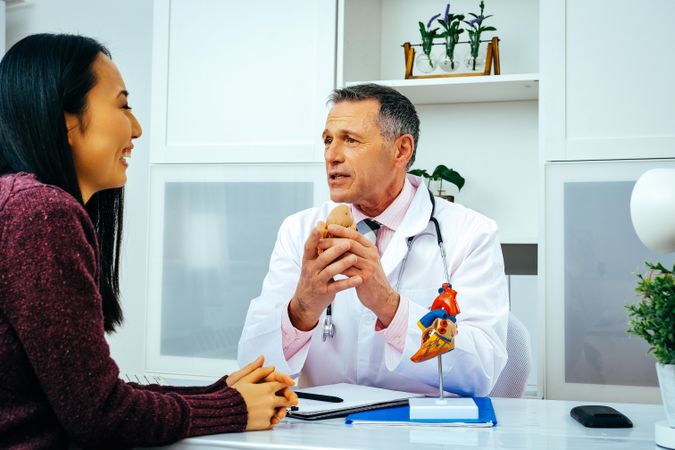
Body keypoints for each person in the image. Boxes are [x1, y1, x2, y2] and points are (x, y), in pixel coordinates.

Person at [0, 34, 296, 449]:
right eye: (123, 105)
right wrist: (234, 408)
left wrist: (219, 394)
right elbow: (100, 415)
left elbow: (87, 396)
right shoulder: (41, 213)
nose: (136, 129)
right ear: (66, 119)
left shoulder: (18, 202)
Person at [238, 83, 509, 397]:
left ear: (401, 150)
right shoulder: (300, 230)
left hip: (422, 432)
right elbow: (252, 369)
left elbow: (482, 371)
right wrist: (302, 308)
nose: (331, 156)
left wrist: (390, 306)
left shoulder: (471, 233)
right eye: (327, 141)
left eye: (350, 140)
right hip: (324, 433)